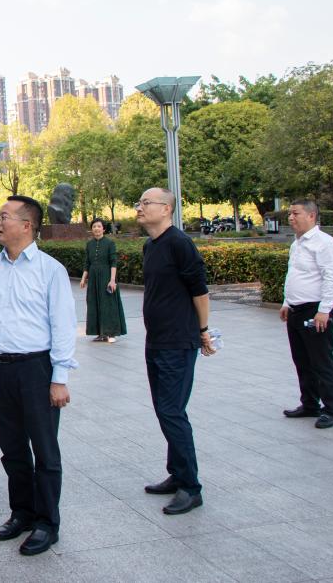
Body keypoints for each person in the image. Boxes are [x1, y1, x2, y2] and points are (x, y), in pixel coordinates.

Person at [0, 195, 78, 556]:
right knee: (12, 449)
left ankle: (47, 523)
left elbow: (63, 325)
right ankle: (22, 513)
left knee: (45, 450)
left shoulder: (50, 270)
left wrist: (59, 378)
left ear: (27, 225)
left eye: (4, 217)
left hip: (37, 369)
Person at [134, 188, 215, 516]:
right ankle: (177, 473)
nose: (139, 208)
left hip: (178, 342)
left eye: (146, 203)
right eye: (139, 203)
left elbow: (200, 291)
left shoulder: (180, 243)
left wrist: (203, 330)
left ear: (166, 209)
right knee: (165, 409)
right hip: (156, 340)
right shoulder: (150, 245)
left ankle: (191, 488)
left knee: (172, 411)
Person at [279, 199, 333, 429]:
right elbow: (295, 274)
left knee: (321, 361)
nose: (291, 218)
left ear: (311, 215)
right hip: (296, 311)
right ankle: (309, 404)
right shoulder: (296, 243)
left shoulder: (324, 243)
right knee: (302, 360)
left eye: (295, 213)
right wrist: (287, 302)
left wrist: (324, 311)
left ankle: (330, 410)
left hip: (315, 311)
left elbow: (332, 278)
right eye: (289, 213)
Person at [80, 218, 127, 343]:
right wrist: (83, 278)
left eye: (99, 226)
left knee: (108, 304)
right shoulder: (89, 244)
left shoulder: (110, 243)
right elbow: (87, 263)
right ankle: (101, 333)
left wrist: (112, 280)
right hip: (93, 279)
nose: (96, 228)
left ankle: (111, 333)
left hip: (106, 277)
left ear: (103, 229)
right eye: (94, 226)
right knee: (94, 303)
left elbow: (113, 262)